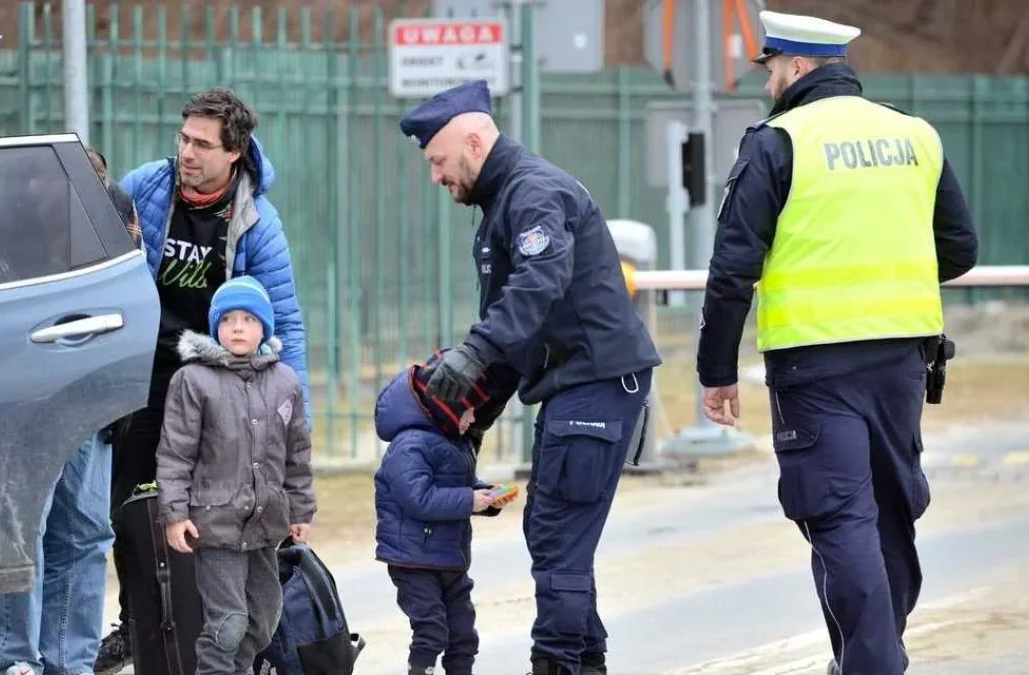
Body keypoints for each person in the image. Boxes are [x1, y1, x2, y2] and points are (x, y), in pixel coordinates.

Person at [695, 11, 979, 675]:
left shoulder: (777, 142)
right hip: (902, 361)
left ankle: (874, 664)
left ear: (795, 66)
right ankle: (865, 655)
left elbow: (732, 266)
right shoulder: (915, 135)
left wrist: (716, 370)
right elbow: (960, 249)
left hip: (814, 364)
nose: (768, 83)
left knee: (839, 516)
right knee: (886, 514)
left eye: (770, 70)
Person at [398, 80, 661, 675]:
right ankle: (582, 664)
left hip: (596, 383)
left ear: (472, 141)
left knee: (557, 538)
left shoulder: (534, 192)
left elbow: (536, 287)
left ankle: (559, 664)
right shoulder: (502, 203)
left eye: (439, 162)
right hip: (580, 385)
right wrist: (479, 411)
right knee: (556, 536)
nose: (436, 177)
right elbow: (512, 326)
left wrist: (471, 353)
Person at [98, 88, 312, 673]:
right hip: (141, 373)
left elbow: (285, 322)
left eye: (201, 144)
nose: (186, 153)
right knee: (130, 506)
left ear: (235, 152)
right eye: (182, 138)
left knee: (216, 513)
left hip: (214, 384)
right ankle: (138, 623)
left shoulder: (256, 223)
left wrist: (296, 423)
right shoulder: (148, 186)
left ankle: (217, 636)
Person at [0, 146, 141, 675]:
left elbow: (132, 298)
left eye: (94, 182)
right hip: (26, 405)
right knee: (25, 530)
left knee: (86, 532)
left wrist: (121, 389)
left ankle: (69, 663)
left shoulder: (115, 218)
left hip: (90, 398)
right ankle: (15, 662)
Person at [154, 275, 316, 675]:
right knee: (228, 624)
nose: (238, 327)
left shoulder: (285, 382)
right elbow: (175, 453)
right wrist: (175, 514)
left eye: (247, 318)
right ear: (216, 327)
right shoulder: (193, 381)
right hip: (215, 523)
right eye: (228, 320)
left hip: (265, 524)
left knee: (261, 620)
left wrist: (300, 510)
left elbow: (297, 455)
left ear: (264, 328)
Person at [373, 351, 519, 675]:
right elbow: (418, 498)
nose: (472, 420)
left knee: (464, 635)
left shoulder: (454, 440)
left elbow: (456, 484)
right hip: (414, 560)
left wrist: (485, 497)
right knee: (432, 630)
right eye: (468, 411)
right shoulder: (410, 444)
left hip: (449, 558)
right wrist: (469, 500)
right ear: (448, 408)